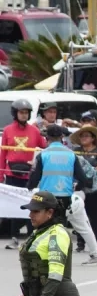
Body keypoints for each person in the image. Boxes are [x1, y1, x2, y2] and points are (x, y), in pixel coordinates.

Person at [15, 191, 81, 296]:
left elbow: (55, 274)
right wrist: (29, 294)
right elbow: (37, 269)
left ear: (50, 212)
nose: (31, 215)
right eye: (30, 211)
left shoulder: (56, 234)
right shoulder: (42, 231)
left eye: (36, 211)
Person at [1, 99, 46, 250]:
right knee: (14, 206)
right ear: (16, 113)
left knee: (31, 206)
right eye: (21, 112)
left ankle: (31, 237)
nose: (24, 115)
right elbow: (3, 154)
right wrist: (1, 175)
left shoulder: (34, 131)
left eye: (26, 112)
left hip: (29, 174)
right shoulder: (7, 130)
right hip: (11, 173)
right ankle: (14, 238)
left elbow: (44, 147)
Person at [68, 125, 97, 266]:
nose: (84, 138)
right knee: (78, 215)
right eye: (82, 136)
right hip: (79, 188)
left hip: (95, 187)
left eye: (87, 136)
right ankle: (80, 243)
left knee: (95, 216)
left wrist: (88, 172)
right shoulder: (76, 151)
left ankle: (95, 243)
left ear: (93, 138)